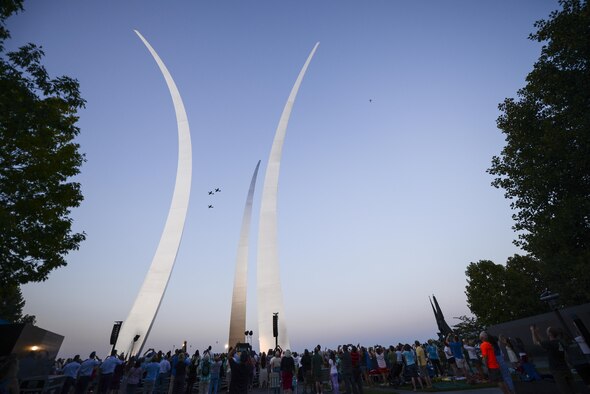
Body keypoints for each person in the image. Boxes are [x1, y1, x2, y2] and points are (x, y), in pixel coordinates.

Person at [531, 325, 577, 394]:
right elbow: (544, 342)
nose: (546, 331)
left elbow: (535, 342)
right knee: (573, 388)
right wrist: (537, 333)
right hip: (565, 368)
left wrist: (532, 331)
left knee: (564, 390)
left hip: (557, 370)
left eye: (547, 330)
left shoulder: (550, 343)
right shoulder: (559, 342)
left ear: (550, 334)